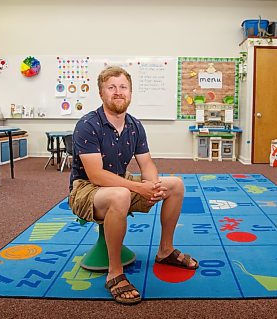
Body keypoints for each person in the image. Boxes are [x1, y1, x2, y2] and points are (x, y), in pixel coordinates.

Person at [69, 66, 198, 305]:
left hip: (121, 182)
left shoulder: (134, 125)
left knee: (176, 185)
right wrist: (139, 188)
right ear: (101, 93)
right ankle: (115, 273)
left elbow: (146, 162)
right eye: (112, 87)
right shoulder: (87, 124)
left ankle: (165, 251)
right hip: (85, 188)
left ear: (130, 92)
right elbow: (96, 175)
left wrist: (152, 185)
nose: (118, 92)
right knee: (120, 195)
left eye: (123, 87)